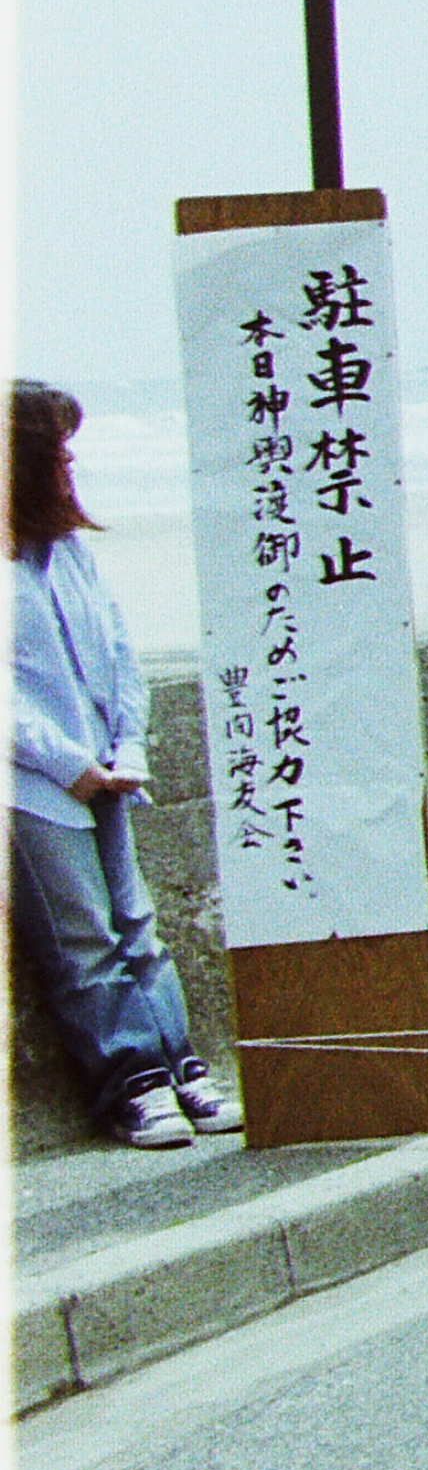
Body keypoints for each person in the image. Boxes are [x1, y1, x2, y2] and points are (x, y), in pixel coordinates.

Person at [13, 383, 235, 1147]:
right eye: (58, 446)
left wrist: (129, 745)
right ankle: (131, 1083)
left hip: (108, 770)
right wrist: (68, 761)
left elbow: (116, 654)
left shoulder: (66, 550)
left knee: (139, 926)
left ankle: (183, 1065)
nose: (70, 459)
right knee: (82, 937)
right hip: (34, 784)